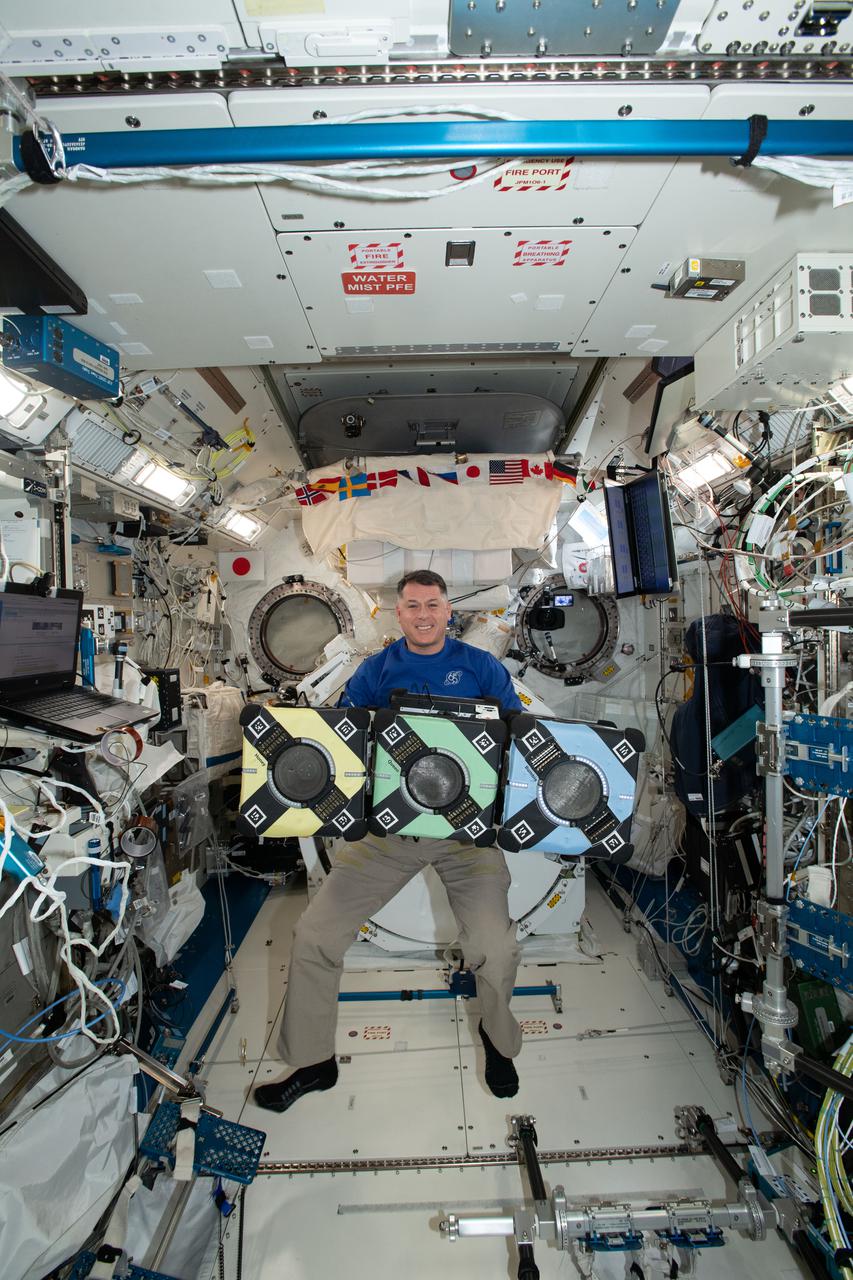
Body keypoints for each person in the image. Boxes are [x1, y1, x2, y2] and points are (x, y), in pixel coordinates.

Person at [254, 569, 524, 1114]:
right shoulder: (376, 671)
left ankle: (499, 1044)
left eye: (433, 604)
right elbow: (347, 741)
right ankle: (313, 1063)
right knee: (314, 934)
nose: (423, 615)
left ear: (449, 610)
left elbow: (518, 739)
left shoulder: (481, 667)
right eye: (412, 606)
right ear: (396, 614)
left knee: (494, 946)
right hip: (390, 833)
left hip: (465, 836)